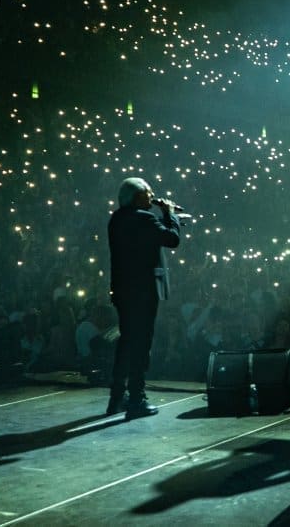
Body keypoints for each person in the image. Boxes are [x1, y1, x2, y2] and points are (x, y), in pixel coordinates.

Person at [106, 177, 181, 418]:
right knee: (141, 344)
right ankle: (137, 399)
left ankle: (117, 397)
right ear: (137, 196)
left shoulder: (116, 219)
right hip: (143, 293)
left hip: (122, 291)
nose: (152, 195)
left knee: (127, 342)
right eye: (148, 192)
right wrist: (170, 213)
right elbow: (172, 239)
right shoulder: (145, 218)